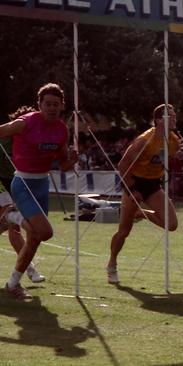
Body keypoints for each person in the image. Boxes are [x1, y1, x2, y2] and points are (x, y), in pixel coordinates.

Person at [0, 83, 78, 299]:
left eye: (56, 104)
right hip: (22, 182)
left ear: (62, 106)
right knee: (45, 232)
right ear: (39, 105)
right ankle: (11, 216)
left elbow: (62, 165)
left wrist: (71, 161)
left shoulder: (62, 129)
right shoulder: (24, 123)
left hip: (42, 185)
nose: (51, 108)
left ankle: (13, 283)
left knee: (34, 238)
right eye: (47, 104)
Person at [107, 104, 179, 284]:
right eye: (169, 116)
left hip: (153, 185)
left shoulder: (174, 140)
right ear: (158, 120)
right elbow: (123, 166)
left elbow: (164, 160)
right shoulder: (144, 140)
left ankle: (143, 214)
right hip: (134, 183)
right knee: (124, 231)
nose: (174, 118)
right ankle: (112, 264)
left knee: (171, 224)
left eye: (174, 115)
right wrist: (132, 189)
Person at [0, 106, 45, 284]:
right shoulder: (7, 137)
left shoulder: (32, 139)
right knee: (9, 214)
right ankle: (30, 268)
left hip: (17, 182)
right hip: (1, 181)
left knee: (14, 226)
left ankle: (28, 268)